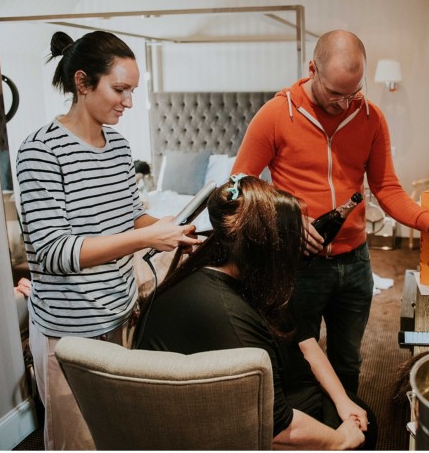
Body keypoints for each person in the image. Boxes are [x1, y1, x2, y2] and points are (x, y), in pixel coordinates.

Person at [231, 30, 429, 394]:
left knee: (348, 361)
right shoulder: (275, 114)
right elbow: (238, 186)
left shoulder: (370, 118)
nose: (345, 103)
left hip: (355, 264)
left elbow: (388, 189)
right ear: (312, 69)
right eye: (335, 93)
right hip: (298, 265)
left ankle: (346, 430)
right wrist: (287, 220)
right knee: (298, 359)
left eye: (353, 92)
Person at [15, 31, 200, 450]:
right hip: (69, 333)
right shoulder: (41, 152)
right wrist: (146, 238)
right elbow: (53, 252)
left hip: (118, 315)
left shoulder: (117, 146)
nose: (128, 102)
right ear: (82, 83)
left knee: (116, 433)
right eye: (120, 89)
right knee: (76, 442)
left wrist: (170, 228)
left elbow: (129, 215)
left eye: (132, 91)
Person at [137, 175, 375, 449]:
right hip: (242, 426)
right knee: (363, 437)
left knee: (360, 414)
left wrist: (343, 400)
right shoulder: (228, 318)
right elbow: (275, 427)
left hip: (274, 400)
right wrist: (338, 441)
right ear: (268, 247)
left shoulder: (242, 272)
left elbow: (305, 340)